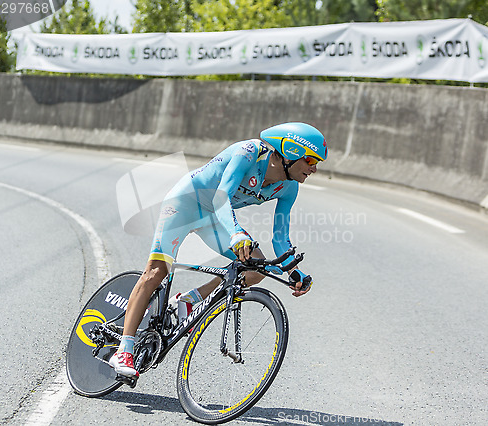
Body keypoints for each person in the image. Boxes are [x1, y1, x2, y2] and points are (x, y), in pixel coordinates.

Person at [109, 122, 328, 378]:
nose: (314, 169)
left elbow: (280, 237)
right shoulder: (248, 153)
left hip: (214, 218)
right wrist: (236, 233)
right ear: (290, 151)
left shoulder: (289, 187)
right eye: (311, 160)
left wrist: (294, 272)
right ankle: (124, 349)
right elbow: (221, 196)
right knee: (156, 271)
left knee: (256, 268)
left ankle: (189, 301)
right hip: (186, 203)